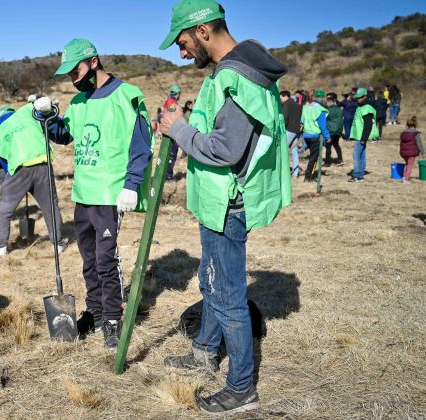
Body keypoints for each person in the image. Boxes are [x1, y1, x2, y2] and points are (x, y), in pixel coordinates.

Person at [158, 0, 292, 414]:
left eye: (182, 43)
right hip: (219, 202)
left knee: (228, 294)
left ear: (202, 31)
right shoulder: (231, 71)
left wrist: (177, 129)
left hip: (228, 204)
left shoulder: (237, 76)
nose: (181, 54)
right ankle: (204, 351)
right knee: (212, 280)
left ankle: (241, 388)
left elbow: (225, 149)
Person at [33, 38, 154, 351]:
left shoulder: (127, 95)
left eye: (76, 70)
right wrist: (46, 118)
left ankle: (113, 320)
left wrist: (131, 183)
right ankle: (96, 313)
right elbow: (64, 135)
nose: (73, 78)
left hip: (110, 193)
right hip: (83, 193)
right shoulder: (79, 102)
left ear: (94, 61)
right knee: (88, 260)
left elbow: (141, 144)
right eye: (69, 74)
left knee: (105, 260)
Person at [0, 101, 64, 256]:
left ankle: (1, 246)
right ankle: (58, 244)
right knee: (50, 207)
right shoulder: (27, 114)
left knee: (5, 208)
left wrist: (15, 179)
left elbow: (5, 161)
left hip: (20, 169)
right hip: (43, 164)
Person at [349, 87, 379, 182]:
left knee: (357, 155)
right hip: (359, 136)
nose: (357, 99)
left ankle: (356, 175)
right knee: (361, 155)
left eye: (359, 97)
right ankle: (360, 175)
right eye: (357, 97)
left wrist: (363, 138)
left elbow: (368, 125)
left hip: (361, 136)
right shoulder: (360, 106)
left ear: (365, 96)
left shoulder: (367, 108)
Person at [301, 94, 330, 182]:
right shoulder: (319, 110)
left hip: (306, 135)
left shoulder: (305, 108)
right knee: (314, 158)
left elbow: (301, 121)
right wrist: (327, 136)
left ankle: (309, 175)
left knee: (312, 156)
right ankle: (308, 177)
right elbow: (322, 126)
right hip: (315, 136)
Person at [280, 90, 302, 177]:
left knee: (282, 151)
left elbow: (284, 118)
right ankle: (295, 173)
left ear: (285, 96)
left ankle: (282, 173)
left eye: (281, 98)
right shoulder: (297, 105)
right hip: (296, 130)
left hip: (289, 130)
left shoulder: (287, 104)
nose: (280, 100)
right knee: (294, 151)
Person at [164, 85, 182, 181]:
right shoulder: (172, 102)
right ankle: (168, 176)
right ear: (178, 93)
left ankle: (167, 175)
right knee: (172, 154)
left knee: (170, 154)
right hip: (172, 131)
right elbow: (171, 115)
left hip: (169, 131)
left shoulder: (169, 101)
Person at [399, 116, 424, 184]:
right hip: (411, 153)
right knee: (410, 166)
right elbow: (419, 144)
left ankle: (404, 177)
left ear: (407, 124)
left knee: (407, 164)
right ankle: (406, 180)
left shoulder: (403, 133)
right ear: (415, 124)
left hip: (403, 152)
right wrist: (423, 152)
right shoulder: (415, 134)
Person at [323, 96, 344, 166]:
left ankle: (328, 162)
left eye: (326, 102)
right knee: (336, 145)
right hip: (338, 130)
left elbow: (324, 119)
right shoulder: (339, 109)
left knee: (328, 146)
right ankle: (340, 159)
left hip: (330, 130)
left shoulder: (327, 110)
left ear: (329, 102)